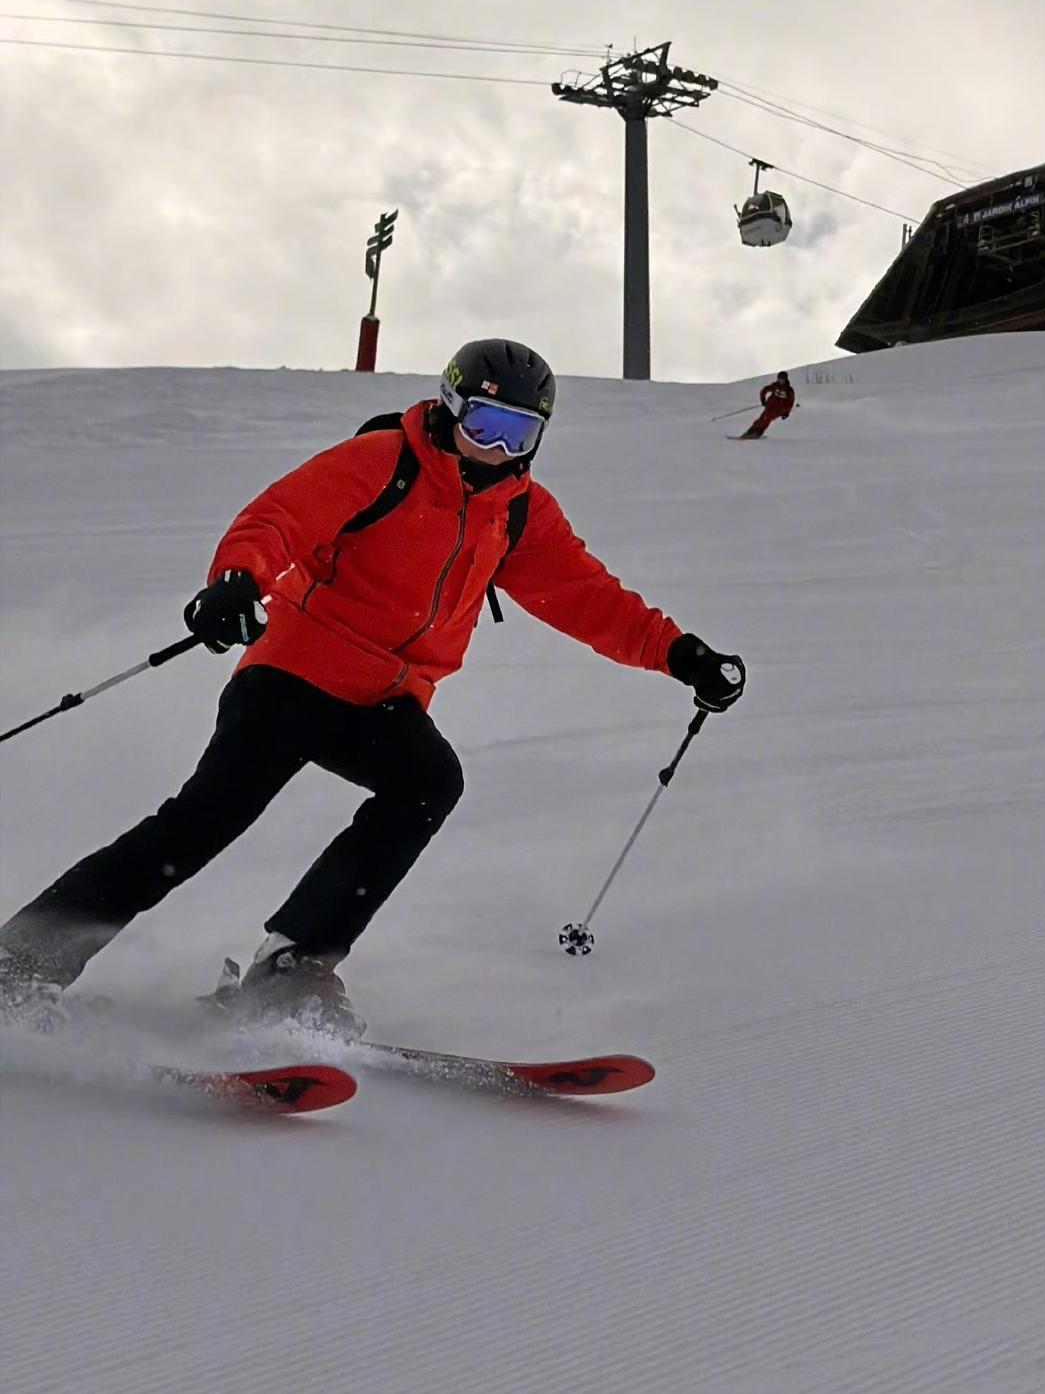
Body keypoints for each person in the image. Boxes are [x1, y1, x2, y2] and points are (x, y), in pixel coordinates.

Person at [0, 340, 745, 1037]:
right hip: (294, 674)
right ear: (450, 408)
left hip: (384, 700)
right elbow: (279, 519)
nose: (496, 449)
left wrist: (680, 655)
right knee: (197, 826)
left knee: (429, 782)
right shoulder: (384, 461)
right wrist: (234, 581)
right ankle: (19, 965)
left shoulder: (517, 512)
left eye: (518, 434)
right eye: (484, 424)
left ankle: (293, 965)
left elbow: (588, 597)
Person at [741, 371, 796, 439]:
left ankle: (758, 432)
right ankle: (750, 431)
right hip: (769, 407)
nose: (780, 381)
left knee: (767, 419)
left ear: (785, 380)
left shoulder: (789, 390)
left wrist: (786, 413)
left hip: (778, 410)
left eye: (782, 380)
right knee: (760, 419)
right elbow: (764, 390)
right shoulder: (775, 386)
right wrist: (763, 400)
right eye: (779, 379)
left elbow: (790, 402)